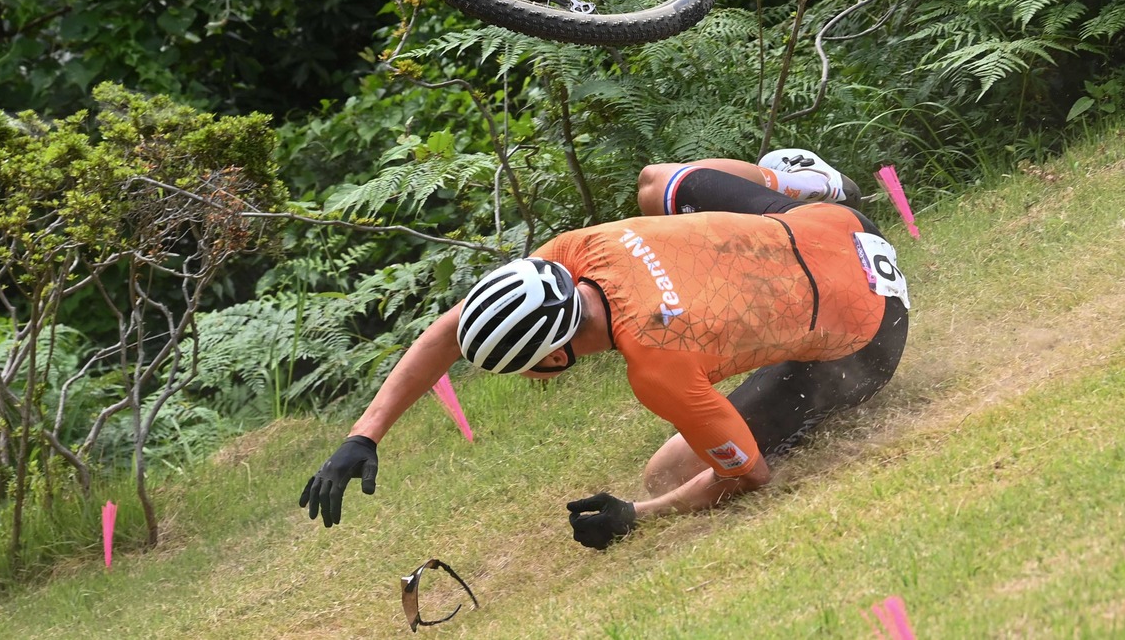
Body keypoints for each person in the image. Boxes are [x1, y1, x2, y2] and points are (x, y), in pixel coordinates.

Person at [297, 149, 909, 550]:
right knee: (656, 183)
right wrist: (364, 435)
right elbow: (452, 331)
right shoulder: (582, 249)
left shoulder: (657, 367)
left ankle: (811, 346)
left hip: (876, 332)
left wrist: (638, 514)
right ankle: (808, 183)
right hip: (842, 226)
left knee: (667, 472)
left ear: (554, 359)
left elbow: (750, 476)